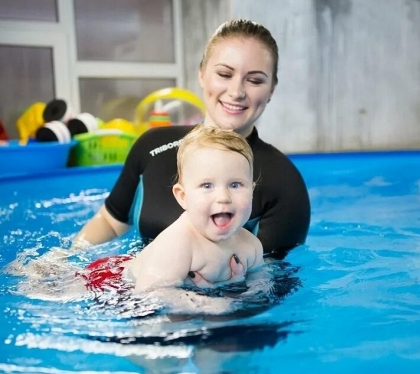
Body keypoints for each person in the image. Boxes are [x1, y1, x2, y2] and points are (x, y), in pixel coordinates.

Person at [73, 18, 311, 284]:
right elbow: (110, 221)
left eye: (254, 80)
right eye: (224, 74)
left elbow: (269, 282)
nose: (236, 91)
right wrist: (63, 259)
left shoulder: (285, 183)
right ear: (202, 74)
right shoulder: (152, 145)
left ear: (271, 90)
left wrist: (211, 300)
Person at [79, 125, 264, 292]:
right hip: (112, 281)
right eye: (207, 186)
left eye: (236, 185)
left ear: (252, 191)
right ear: (183, 197)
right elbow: (150, 293)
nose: (223, 197)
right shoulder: (178, 245)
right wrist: (204, 304)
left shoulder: (251, 246)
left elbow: (260, 282)